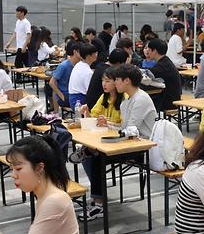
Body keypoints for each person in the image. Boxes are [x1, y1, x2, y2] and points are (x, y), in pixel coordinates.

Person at [79, 67, 125, 219]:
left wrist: (107, 123)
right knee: (89, 156)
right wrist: (86, 112)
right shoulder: (103, 97)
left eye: (108, 81)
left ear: (117, 82)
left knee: (94, 157)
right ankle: (98, 195)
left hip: (120, 143)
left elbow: (124, 126)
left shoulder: (124, 99)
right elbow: (94, 116)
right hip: (104, 140)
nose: (104, 84)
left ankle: (98, 202)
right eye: (102, 81)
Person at [113, 64, 156, 139]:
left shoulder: (141, 99)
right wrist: (107, 125)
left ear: (127, 81)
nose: (115, 83)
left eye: (117, 79)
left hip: (147, 143)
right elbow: (124, 127)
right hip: (134, 141)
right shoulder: (126, 100)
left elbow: (131, 130)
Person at [144, 38, 183, 111]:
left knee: (143, 101)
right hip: (169, 95)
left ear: (155, 51)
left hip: (169, 100)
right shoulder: (165, 61)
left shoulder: (163, 64)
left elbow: (149, 72)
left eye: (149, 50)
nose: (148, 52)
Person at [50, 41, 79, 110]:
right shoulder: (64, 65)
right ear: (75, 52)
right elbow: (51, 83)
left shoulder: (78, 64)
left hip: (75, 94)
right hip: (66, 95)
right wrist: (62, 96)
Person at [67, 43, 97, 110]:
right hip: (80, 101)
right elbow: (90, 92)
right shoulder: (88, 72)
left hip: (72, 99)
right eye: (95, 53)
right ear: (88, 56)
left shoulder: (78, 64)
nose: (96, 55)